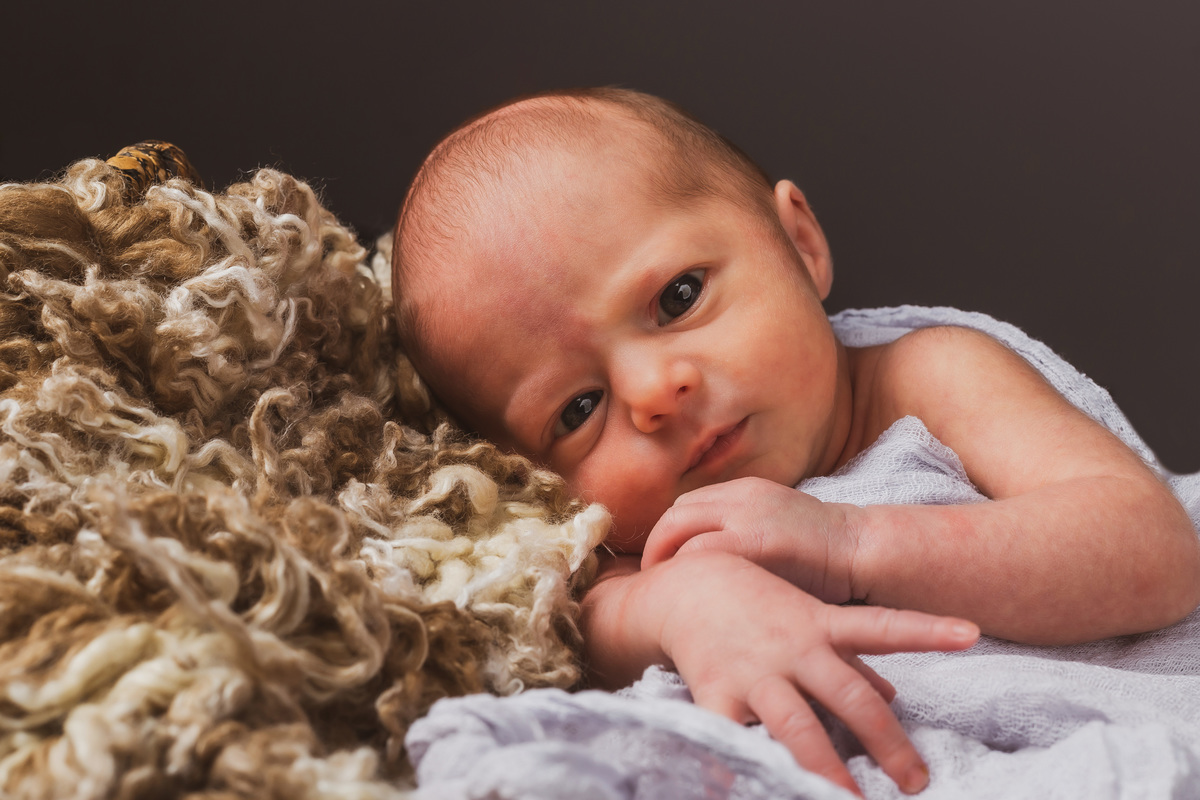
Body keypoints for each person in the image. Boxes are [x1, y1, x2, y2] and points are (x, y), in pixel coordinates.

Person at [389, 87, 1200, 796]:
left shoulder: (929, 380)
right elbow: (585, 626)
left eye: (677, 297)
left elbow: (1152, 550)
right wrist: (688, 604)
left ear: (799, 246)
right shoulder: (645, 545)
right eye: (577, 409)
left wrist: (854, 544)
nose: (653, 393)